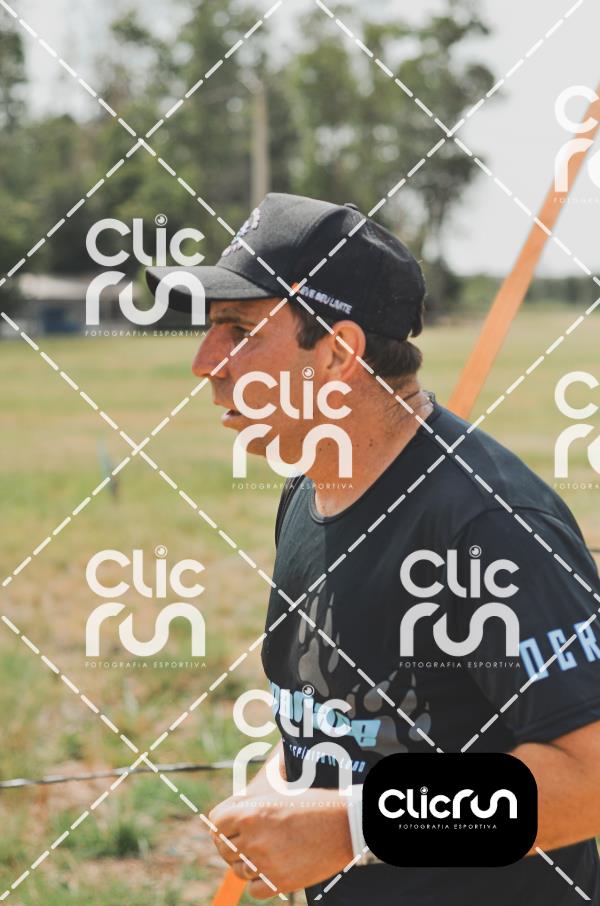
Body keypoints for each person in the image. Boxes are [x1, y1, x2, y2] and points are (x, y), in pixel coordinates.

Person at [147, 193, 600, 904]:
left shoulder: (486, 526)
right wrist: (281, 786)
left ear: (338, 353)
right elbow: (343, 713)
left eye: (239, 330)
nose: (206, 363)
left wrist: (351, 829)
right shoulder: (309, 491)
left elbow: (590, 779)